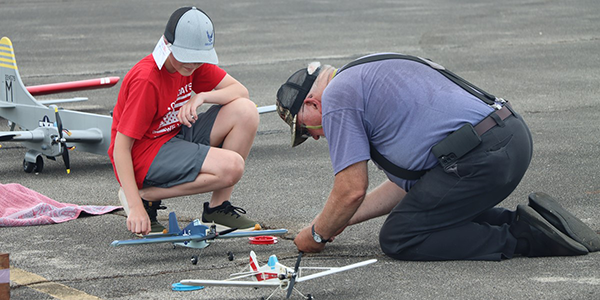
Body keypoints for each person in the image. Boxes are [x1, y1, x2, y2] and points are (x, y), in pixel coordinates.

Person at [275, 53, 600, 260]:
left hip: (479, 157)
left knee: (401, 236)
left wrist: (316, 234)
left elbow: (351, 189)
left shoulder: (336, 97)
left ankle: (522, 239)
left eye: (305, 130)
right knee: (424, 213)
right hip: (510, 138)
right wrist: (336, 222)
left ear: (313, 105)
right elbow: (410, 189)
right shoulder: (372, 71)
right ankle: (538, 221)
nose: (316, 137)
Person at [109, 7, 261, 236]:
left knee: (246, 111)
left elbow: (241, 92)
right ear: (168, 45)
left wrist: (203, 96)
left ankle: (217, 210)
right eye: (187, 57)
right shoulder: (147, 79)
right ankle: (146, 196)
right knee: (232, 167)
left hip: (173, 137)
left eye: (198, 59)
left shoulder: (191, 64)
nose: (192, 65)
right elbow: (120, 148)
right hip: (143, 157)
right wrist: (136, 206)